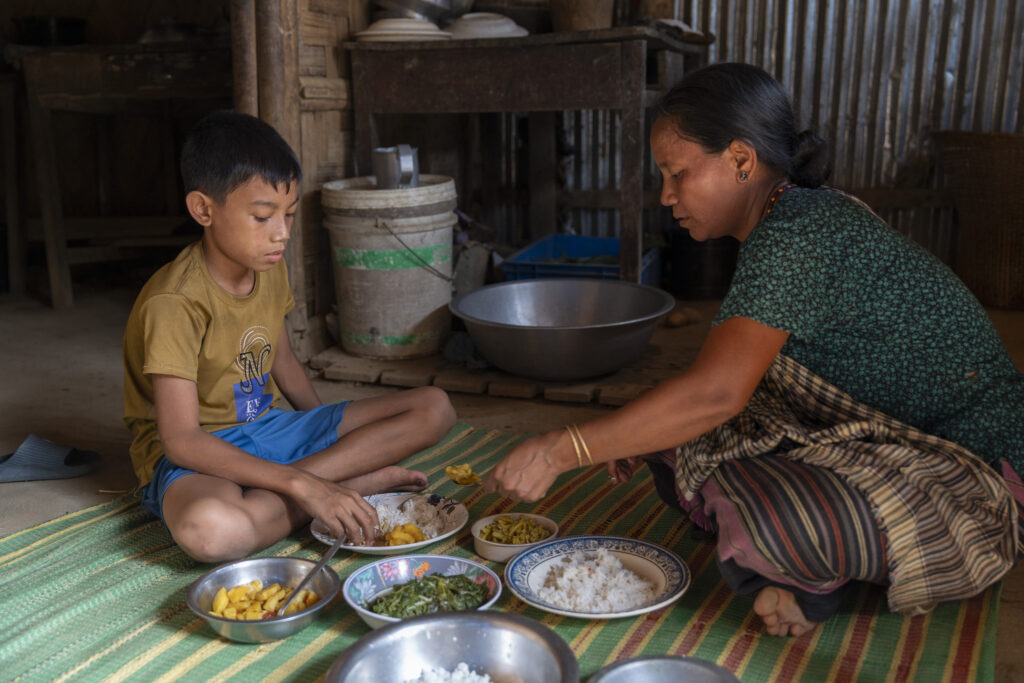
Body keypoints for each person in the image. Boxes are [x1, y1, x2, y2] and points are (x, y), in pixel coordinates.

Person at [483, 62, 1024, 637]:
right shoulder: (789, 221)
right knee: (671, 438)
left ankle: (810, 580)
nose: (666, 195)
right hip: (890, 441)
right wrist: (633, 431)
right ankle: (786, 550)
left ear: (741, 159)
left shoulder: (798, 233)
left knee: (770, 506)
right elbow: (728, 382)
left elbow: (717, 393)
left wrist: (560, 450)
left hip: (978, 470)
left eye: (677, 173)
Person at [123, 111, 456, 563]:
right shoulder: (175, 301)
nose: (281, 234)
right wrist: (306, 484)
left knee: (434, 408)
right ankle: (337, 487)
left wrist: (328, 437)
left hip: (271, 428)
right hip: (204, 452)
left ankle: (302, 489)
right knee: (211, 532)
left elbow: (282, 362)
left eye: (289, 214)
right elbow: (182, 440)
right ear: (203, 209)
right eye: (262, 216)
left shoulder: (268, 266)